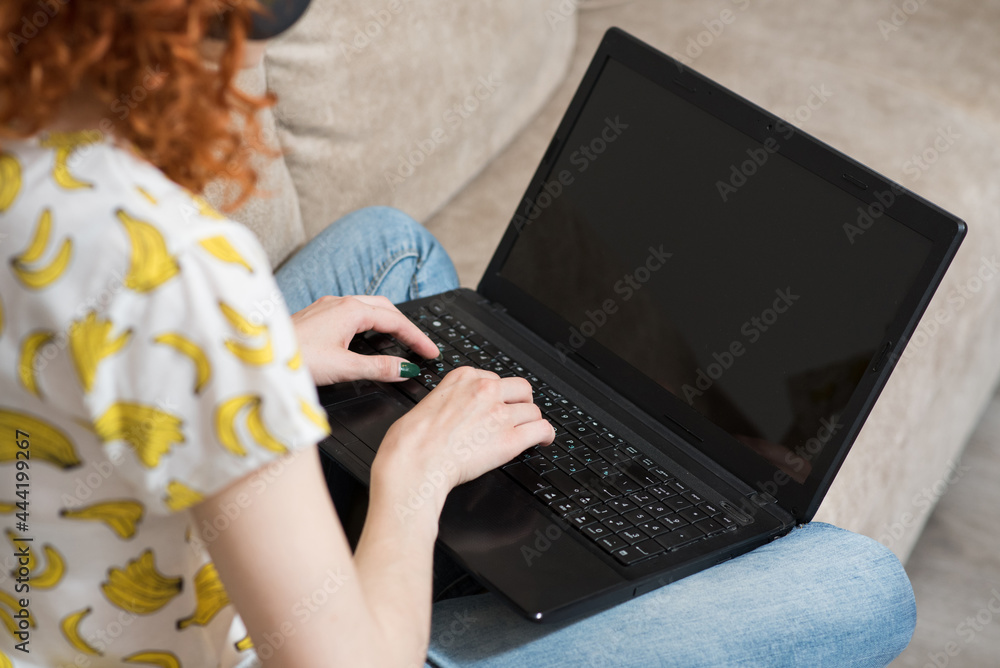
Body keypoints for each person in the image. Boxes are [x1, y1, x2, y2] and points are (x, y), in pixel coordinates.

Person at [0, 1, 916, 666]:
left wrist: (255, 360)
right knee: (857, 584)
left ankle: (510, 534)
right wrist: (415, 475)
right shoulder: (180, 267)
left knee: (388, 251)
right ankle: (474, 599)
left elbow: (79, 355)